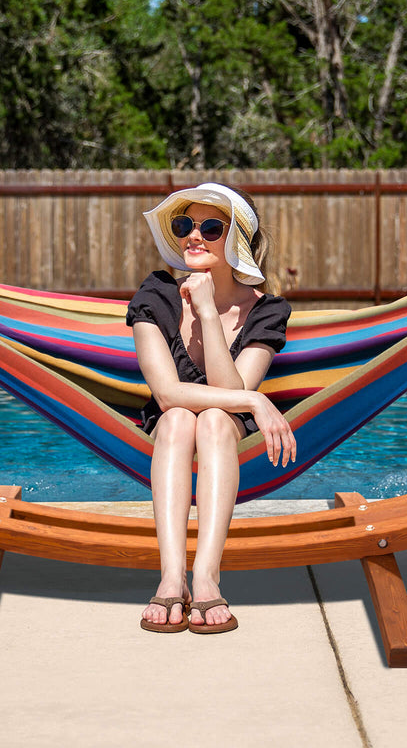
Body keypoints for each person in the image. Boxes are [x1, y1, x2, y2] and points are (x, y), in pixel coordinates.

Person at [126, 183, 296, 634]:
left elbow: (228, 390)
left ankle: (205, 576)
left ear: (237, 239)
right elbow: (167, 394)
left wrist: (205, 312)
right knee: (179, 417)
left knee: (217, 420)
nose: (193, 235)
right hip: (171, 427)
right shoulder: (156, 294)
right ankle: (171, 576)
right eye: (185, 224)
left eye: (211, 227)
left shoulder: (267, 312)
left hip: (227, 433)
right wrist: (253, 400)